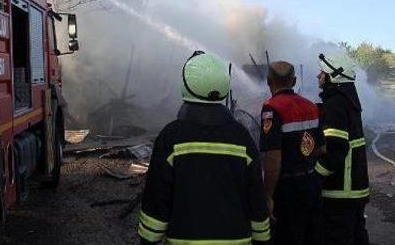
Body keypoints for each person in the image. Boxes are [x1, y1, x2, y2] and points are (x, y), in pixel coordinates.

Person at [138, 51, 271, 244]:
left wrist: (149, 237)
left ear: (186, 85)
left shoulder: (171, 136)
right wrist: (262, 237)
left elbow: (157, 196)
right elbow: (256, 195)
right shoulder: (242, 137)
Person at [260, 61, 324, 245]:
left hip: (287, 188)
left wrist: (268, 195)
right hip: (311, 182)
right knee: (311, 236)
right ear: (294, 81)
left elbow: (273, 156)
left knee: (287, 237)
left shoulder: (272, 108)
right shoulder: (311, 106)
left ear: (268, 81)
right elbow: (321, 148)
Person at [314, 54, 370, 245]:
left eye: (322, 72)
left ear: (333, 76)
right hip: (356, 188)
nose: (318, 76)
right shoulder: (348, 100)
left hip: (340, 191)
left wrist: (315, 175)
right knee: (356, 236)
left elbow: (335, 151)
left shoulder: (335, 104)